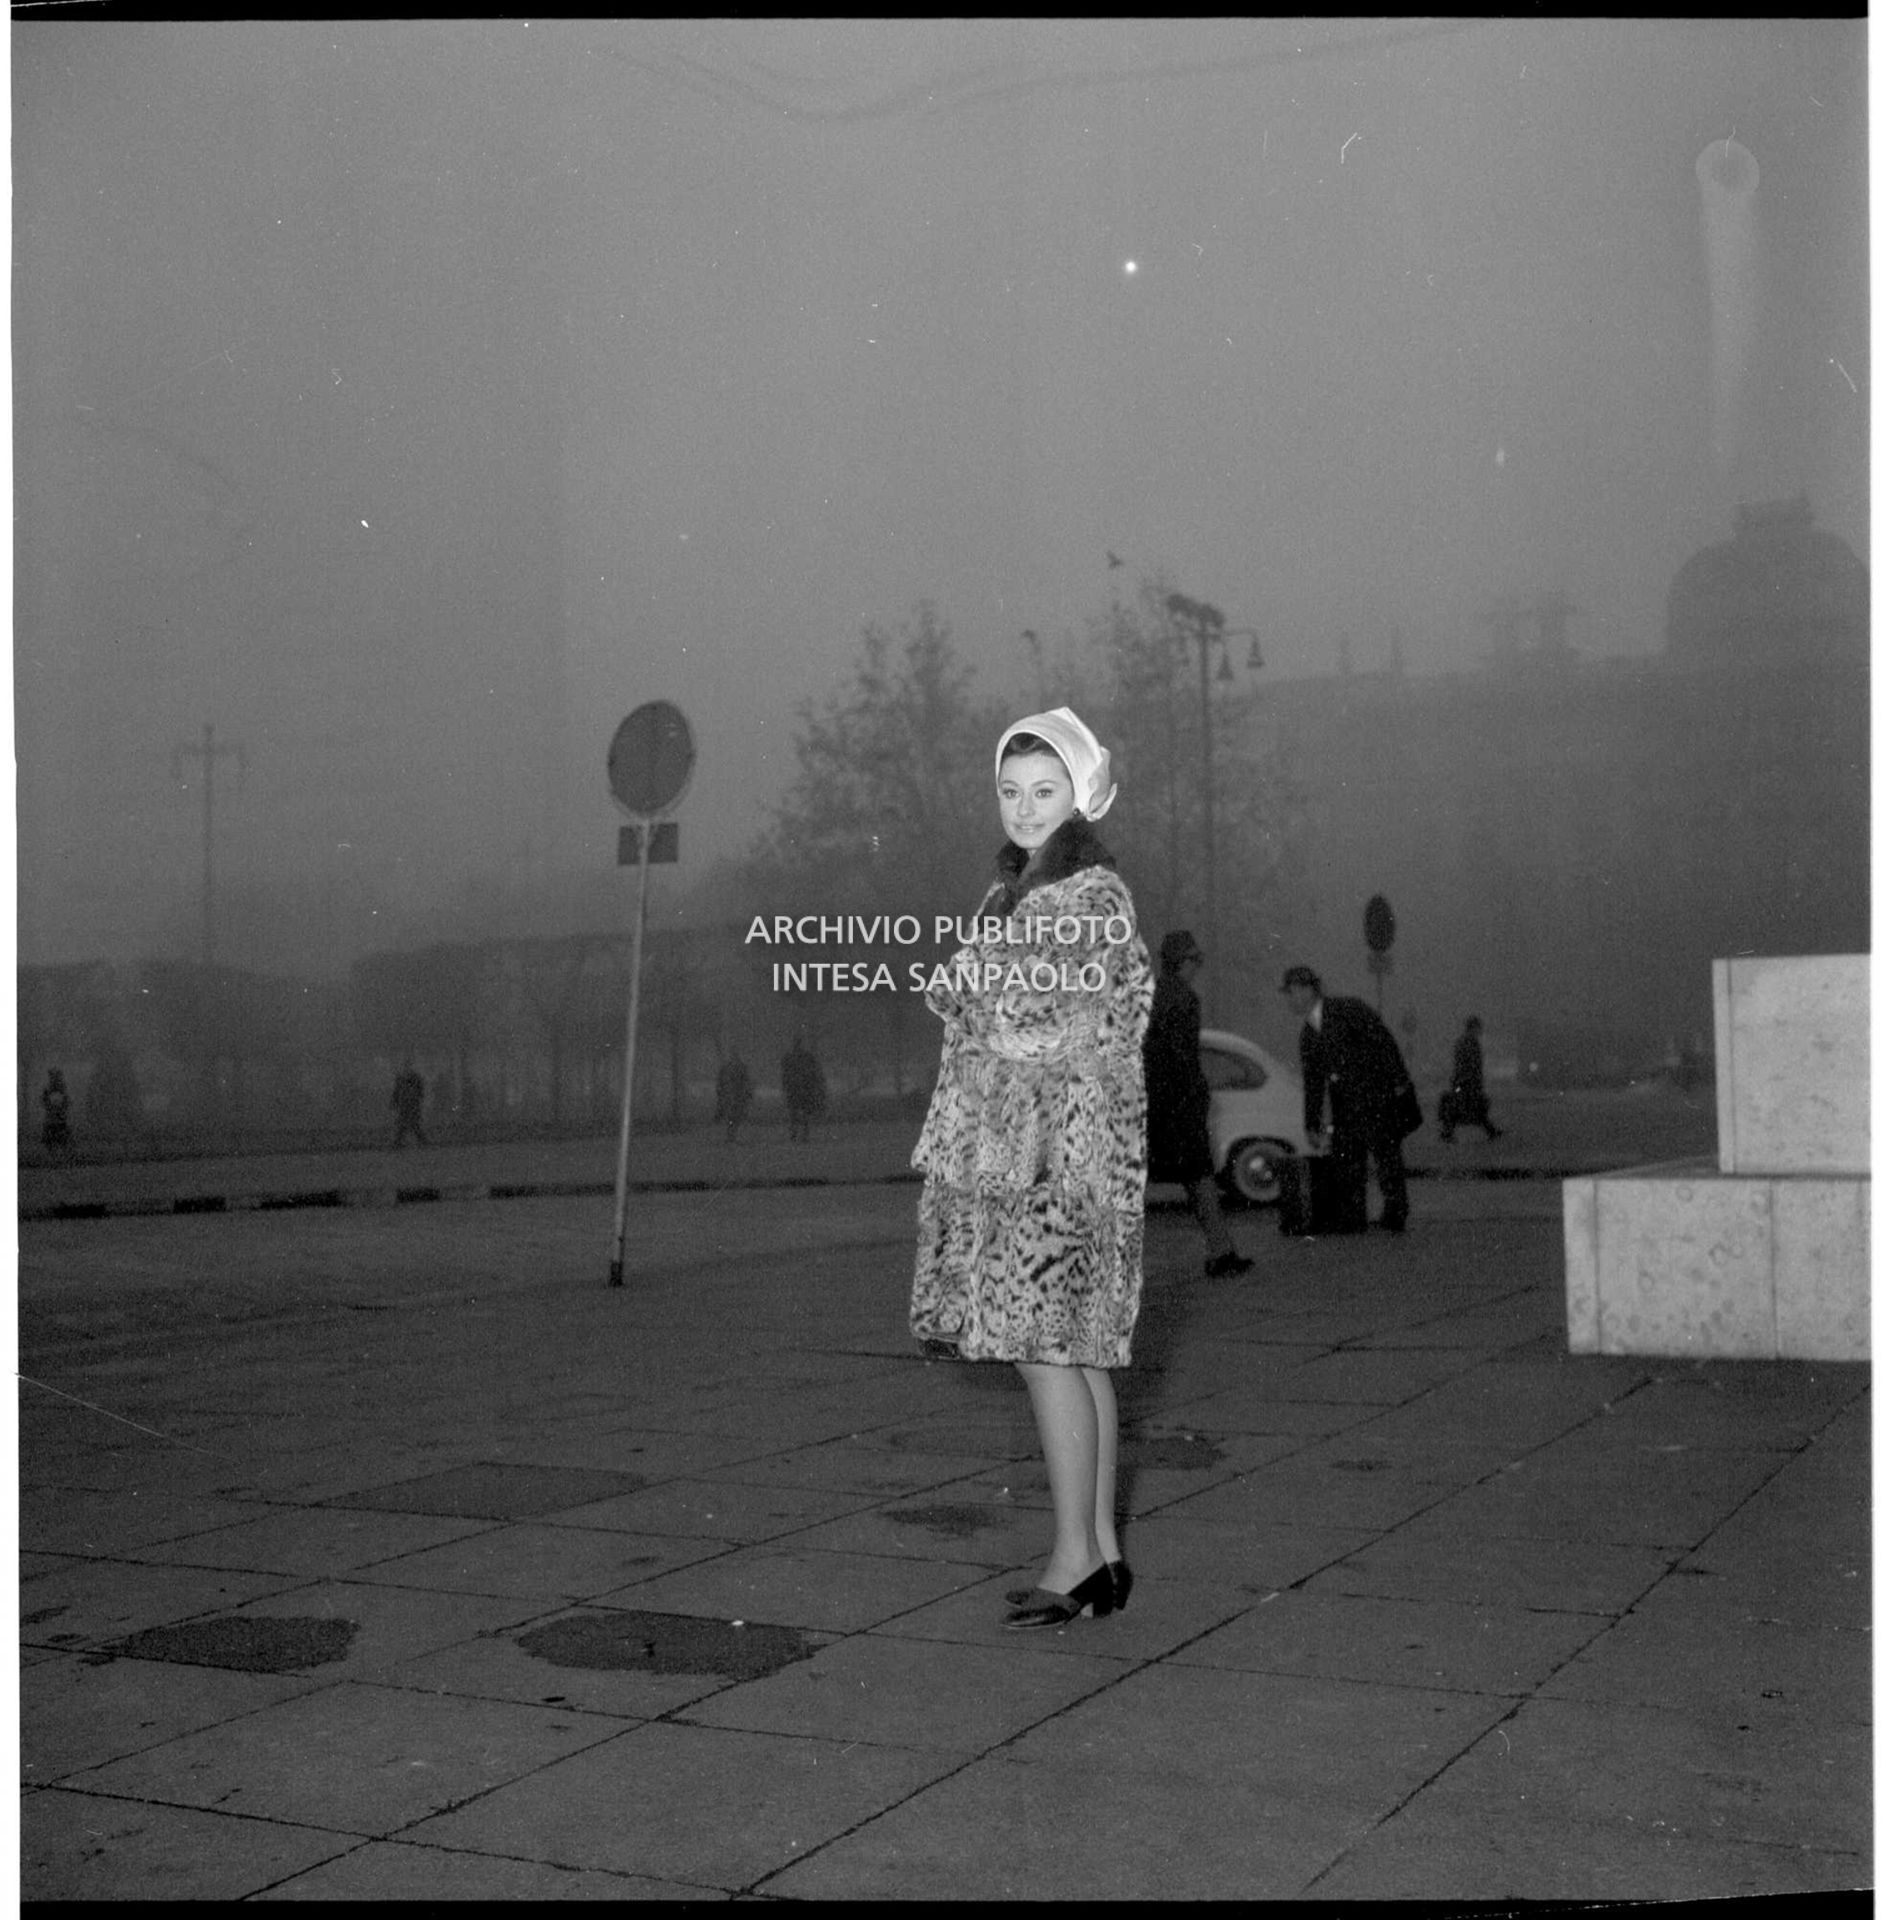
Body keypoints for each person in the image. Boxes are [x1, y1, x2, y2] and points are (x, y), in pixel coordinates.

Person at [911, 706, 1153, 1630]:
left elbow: (1025, 1021)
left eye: (1044, 791)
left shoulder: (1083, 898)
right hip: (1046, 1150)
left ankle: (1073, 1559)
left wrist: (963, 997)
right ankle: (1103, 1554)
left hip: (1051, 1156)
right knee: (1073, 1353)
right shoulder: (1025, 894)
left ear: (1082, 795)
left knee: (1047, 1352)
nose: (1022, 807)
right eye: (1011, 791)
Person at [1144, 930, 1254, 1278]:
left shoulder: (1150, 994)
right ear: (1184, 962)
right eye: (1195, 961)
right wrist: (1198, 1096)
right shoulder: (1185, 999)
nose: (1197, 968)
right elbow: (1184, 1057)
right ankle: (1221, 1252)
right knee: (1200, 1177)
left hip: (1151, 1105)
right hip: (1179, 1107)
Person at [1281, 965, 1420, 1233]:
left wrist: (1399, 1082)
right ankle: (1353, 1216)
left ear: (1309, 990)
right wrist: (1311, 1123)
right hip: (1345, 1108)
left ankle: (1395, 1212)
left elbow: (1383, 1042)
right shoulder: (1308, 1034)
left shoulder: (1348, 1009)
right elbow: (1313, 1083)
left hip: (1376, 1099)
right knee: (1348, 1162)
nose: (1290, 999)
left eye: (1292, 992)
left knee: (1386, 1158)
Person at [1438, 1014, 1502, 1141]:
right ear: (1473, 1028)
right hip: (1467, 1082)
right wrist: (1468, 1079)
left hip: (1465, 1081)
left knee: (1469, 1107)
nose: (1480, 1031)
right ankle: (1490, 1131)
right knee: (1469, 1107)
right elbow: (1469, 1064)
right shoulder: (1469, 1042)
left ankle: (1448, 1132)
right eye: (1478, 1028)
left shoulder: (1465, 1041)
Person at [780, 1034, 826, 1141]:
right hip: (803, 1089)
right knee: (803, 1113)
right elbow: (813, 1072)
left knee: (795, 1113)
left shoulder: (790, 1057)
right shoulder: (806, 1057)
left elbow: (785, 1074)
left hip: (795, 1089)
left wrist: (786, 1086)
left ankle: (795, 1133)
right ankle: (802, 1133)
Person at [714, 1049, 754, 1142]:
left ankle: (731, 1133)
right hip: (736, 1096)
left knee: (732, 1117)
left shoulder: (726, 1068)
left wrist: (721, 1093)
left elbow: (721, 1082)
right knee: (735, 1116)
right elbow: (746, 1082)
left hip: (732, 1096)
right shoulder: (741, 1068)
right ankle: (732, 1133)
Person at [390, 1061, 427, 1148]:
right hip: (408, 1103)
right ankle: (421, 1140)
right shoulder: (409, 1079)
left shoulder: (405, 1079)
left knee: (408, 1123)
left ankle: (398, 1141)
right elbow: (397, 1091)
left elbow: (397, 1091)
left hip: (408, 1103)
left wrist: (395, 1101)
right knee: (411, 1123)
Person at [40, 1069, 72, 1153]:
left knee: (60, 1134)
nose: (54, 1079)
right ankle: (53, 1151)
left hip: (59, 1116)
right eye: (53, 1077)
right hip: (52, 1117)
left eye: (56, 1077)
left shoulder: (61, 1089)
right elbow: (44, 1101)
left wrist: (61, 1108)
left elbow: (66, 1101)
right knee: (52, 1134)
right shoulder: (49, 1089)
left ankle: (61, 1150)